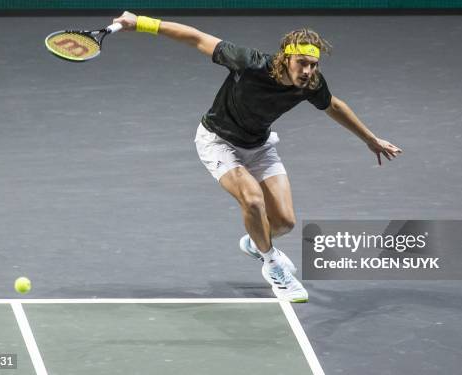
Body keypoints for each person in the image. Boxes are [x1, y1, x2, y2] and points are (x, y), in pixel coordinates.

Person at [112, 12, 403, 303]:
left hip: (259, 145)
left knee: (285, 222)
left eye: (313, 65)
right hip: (218, 141)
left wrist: (371, 139)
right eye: (302, 63)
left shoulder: (311, 84)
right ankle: (273, 265)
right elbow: (197, 38)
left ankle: (257, 243)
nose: (307, 71)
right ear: (285, 59)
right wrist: (140, 22)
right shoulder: (249, 62)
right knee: (252, 200)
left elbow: (334, 105)